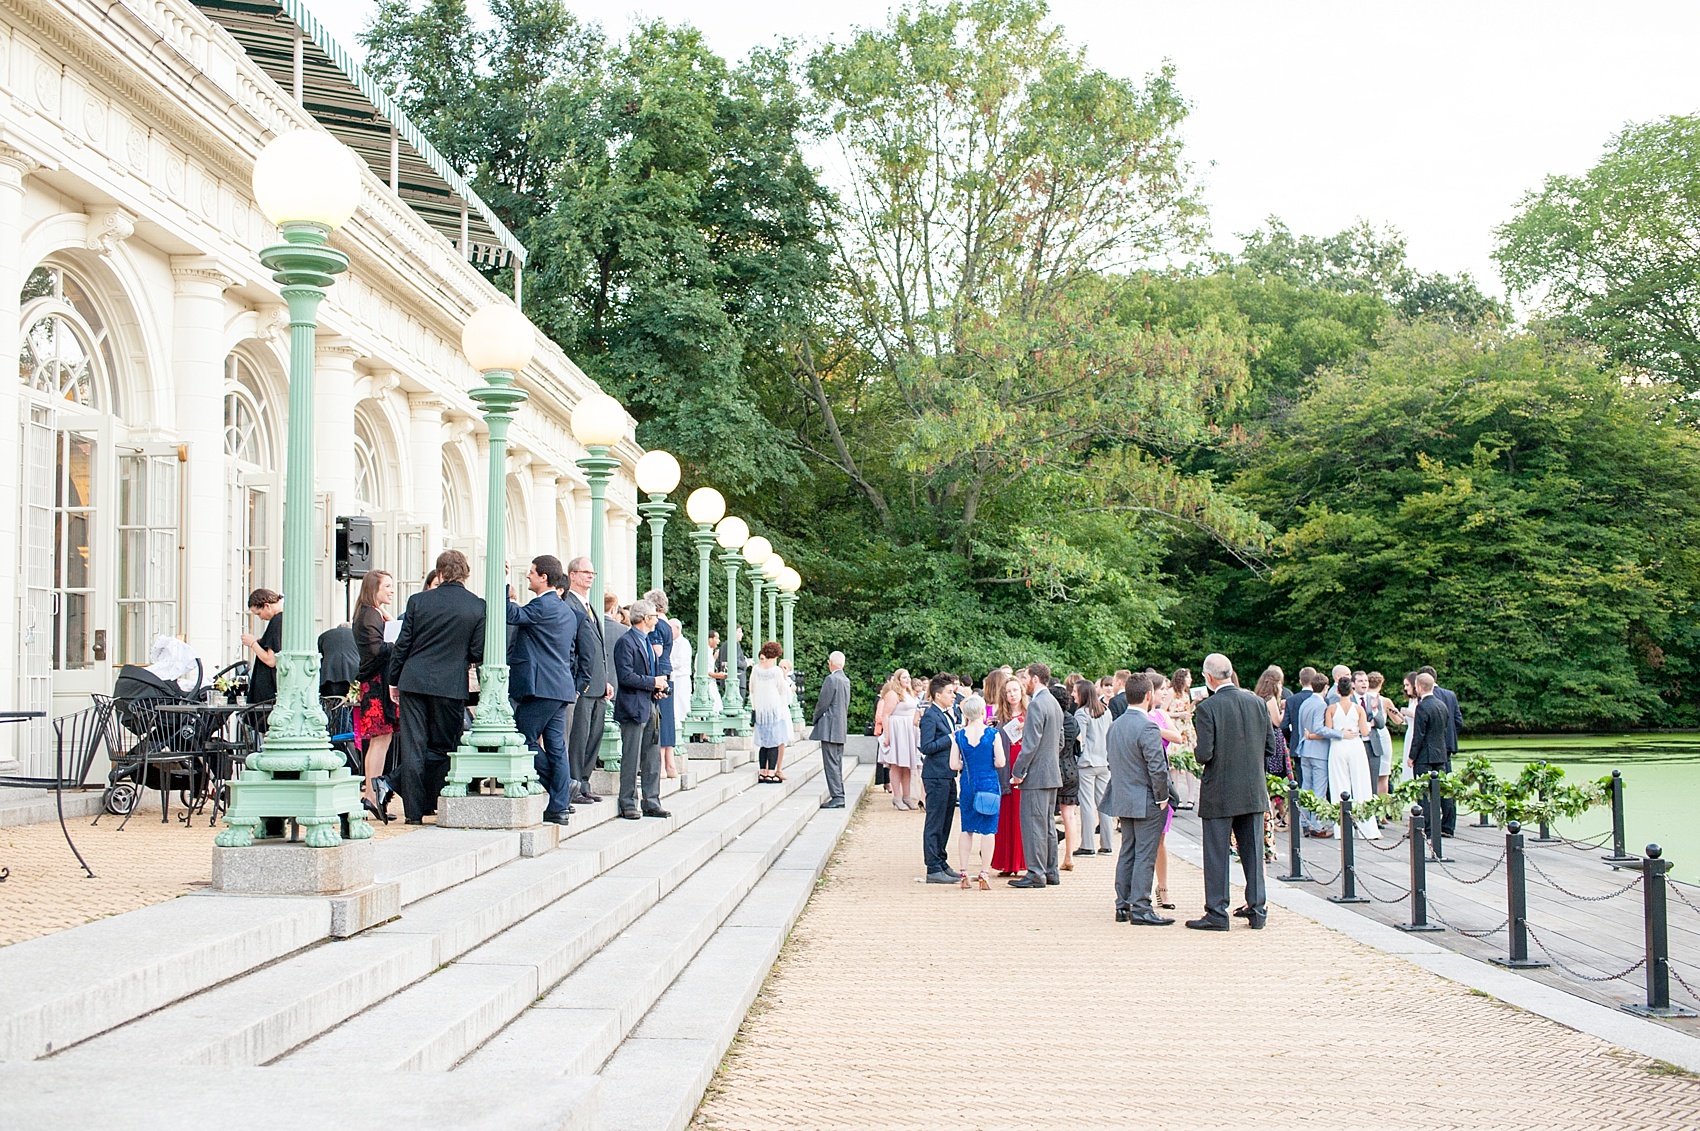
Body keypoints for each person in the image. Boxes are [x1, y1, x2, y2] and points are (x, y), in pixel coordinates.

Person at [387, 551, 484, 824]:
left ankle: (414, 813)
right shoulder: (477, 606)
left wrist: (394, 680)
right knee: (444, 747)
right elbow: (477, 651)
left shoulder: (418, 601)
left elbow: (402, 645)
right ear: (466, 573)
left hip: (413, 680)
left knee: (413, 746)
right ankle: (434, 801)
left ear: (439, 573)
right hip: (451, 685)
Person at [1188, 653, 1277, 931]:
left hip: (1221, 790)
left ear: (1209, 677)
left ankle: (1217, 911)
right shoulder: (1257, 702)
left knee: (1216, 854)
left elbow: (1204, 754)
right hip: (1252, 788)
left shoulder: (1207, 708)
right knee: (1253, 851)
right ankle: (1257, 908)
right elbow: (1270, 747)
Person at [507, 555, 578, 827]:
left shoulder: (543, 606)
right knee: (557, 747)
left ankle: (561, 790)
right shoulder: (567, 611)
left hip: (542, 688)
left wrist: (503, 583)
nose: (528, 577)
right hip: (560, 687)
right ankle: (559, 804)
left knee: (521, 739)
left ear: (544, 577)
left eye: (531, 573)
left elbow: (511, 614)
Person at [1106, 673, 1173, 926]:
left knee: (1128, 851)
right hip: (1146, 798)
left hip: (1123, 795)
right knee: (1145, 853)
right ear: (1148, 696)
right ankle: (1141, 906)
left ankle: (1122, 904)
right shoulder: (1147, 727)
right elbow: (1157, 767)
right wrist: (1163, 797)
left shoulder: (1116, 725)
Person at [612, 598, 669, 820]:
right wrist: (652, 682)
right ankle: (628, 802)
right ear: (645, 618)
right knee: (631, 757)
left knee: (652, 757)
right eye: (655, 616)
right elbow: (625, 676)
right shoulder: (626, 642)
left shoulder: (646, 641)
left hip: (650, 704)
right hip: (633, 706)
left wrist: (657, 688)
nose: (657, 619)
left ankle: (651, 801)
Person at [563, 557, 611, 806]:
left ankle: (585, 781)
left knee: (594, 737)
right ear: (572, 575)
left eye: (592, 572)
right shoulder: (570, 603)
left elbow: (597, 647)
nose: (590, 577)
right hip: (583, 685)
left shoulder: (590, 606)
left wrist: (606, 680)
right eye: (585, 572)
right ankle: (575, 784)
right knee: (579, 737)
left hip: (599, 685)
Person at [1011, 663, 1062, 889]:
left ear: (1034, 679)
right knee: (1048, 825)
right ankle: (1051, 870)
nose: (1023, 682)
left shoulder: (1036, 705)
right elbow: (1059, 741)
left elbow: (1030, 744)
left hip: (1037, 775)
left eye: (1025, 678)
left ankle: (1036, 872)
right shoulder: (1054, 703)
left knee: (1034, 825)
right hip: (1052, 771)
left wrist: (1018, 771)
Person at [351, 570, 397, 820]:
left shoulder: (370, 612)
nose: (391, 590)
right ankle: (370, 795)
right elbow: (377, 651)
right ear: (374, 588)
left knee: (381, 740)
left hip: (377, 684)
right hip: (376, 685)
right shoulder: (369, 614)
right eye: (387, 586)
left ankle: (372, 795)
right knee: (379, 741)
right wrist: (396, 640)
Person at [950, 693, 1004, 889]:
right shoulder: (992, 734)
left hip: (968, 784)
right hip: (988, 784)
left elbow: (953, 764)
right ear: (983, 711)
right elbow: (1000, 762)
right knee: (989, 831)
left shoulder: (958, 735)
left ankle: (963, 872)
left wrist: (967, 762)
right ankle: (984, 872)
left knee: (966, 829)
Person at [919, 674, 961, 884]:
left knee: (946, 821)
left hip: (948, 774)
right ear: (937, 695)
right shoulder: (930, 716)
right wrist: (950, 738)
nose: (953, 696)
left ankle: (941, 860)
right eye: (949, 692)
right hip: (935, 774)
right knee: (935, 821)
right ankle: (933, 866)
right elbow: (926, 747)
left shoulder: (947, 714)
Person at [1326, 675, 1379, 840]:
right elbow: (1365, 732)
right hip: (1356, 746)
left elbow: (1328, 730)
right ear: (1352, 690)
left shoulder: (1331, 709)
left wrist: (1341, 733)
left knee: (1339, 785)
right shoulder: (1359, 709)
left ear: (1337, 690)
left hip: (1338, 746)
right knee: (1362, 785)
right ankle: (1367, 827)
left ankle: (1341, 828)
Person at [1407, 672, 1456, 835]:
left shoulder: (1422, 706)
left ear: (1419, 687)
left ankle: (1426, 827)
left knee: (1424, 793)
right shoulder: (1442, 705)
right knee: (1442, 791)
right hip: (1441, 754)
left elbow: (1419, 734)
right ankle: (1445, 825)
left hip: (1425, 755)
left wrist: (1412, 756)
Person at [990, 675, 1028, 876]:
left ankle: (1022, 861)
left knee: (1021, 814)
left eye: (1015, 690)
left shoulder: (1030, 713)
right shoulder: (1000, 716)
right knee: (1005, 814)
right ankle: (1005, 862)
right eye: (1008, 691)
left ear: (1021, 691)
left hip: (1023, 765)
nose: (1012, 694)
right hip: (1005, 767)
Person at [1294, 671, 1339, 838]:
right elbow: (1318, 728)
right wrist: (1339, 733)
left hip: (1305, 748)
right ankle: (1317, 825)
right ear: (1326, 687)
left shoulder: (1305, 702)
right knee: (1319, 788)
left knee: (1306, 787)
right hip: (1318, 750)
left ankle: (1305, 821)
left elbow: (1301, 728)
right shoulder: (1321, 704)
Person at [1073, 680, 1113, 856]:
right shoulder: (1106, 710)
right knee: (1103, 804)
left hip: (1087, 762)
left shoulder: (1081, 714)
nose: (1073, 694)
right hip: (1103, 761)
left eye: (1075, 691)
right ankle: (1107, 844)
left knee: (1087, 804)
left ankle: (1088, 844)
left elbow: (1079, 739)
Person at [643, 589, 677, 778]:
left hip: (659, 672)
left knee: (659, 718)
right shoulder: (668, 625)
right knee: (668, 717)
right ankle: (670, 764)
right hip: (668, 670)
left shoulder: (656, 625)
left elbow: (656, 651)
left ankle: (662, 766)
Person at [811, 651, 851, 808]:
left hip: (829, 727)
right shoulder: (845, 680)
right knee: (837, 761)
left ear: (831, 663)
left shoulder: (831, 679)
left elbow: (823, 703)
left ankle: (837, 796)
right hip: (840, 726)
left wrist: (815, 718)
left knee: (831, 763)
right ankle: (839, 793)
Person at [749, 642, 792, 783]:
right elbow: (782, 689)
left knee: (763, 743)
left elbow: (752, 688)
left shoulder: (755, 669)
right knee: (774, 742)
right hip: (773, 710)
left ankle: (762, 771)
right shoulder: (776, 671)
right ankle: (771, 773)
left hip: (760, 710)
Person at [879, 671, 921, 809]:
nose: (907, 679)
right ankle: (897, 797)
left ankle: (907, 796)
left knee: (907, 765)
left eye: (909, 677)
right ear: (897, 679)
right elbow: (885, 715)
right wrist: (888, 735)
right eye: (904, 677)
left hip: (909, 729)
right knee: (896, 764)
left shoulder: (909, 694)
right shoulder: (893, 694)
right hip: (898, 729)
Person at [1052, 678, 1082, 870]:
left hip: (1054, 769)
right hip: (1071, 768)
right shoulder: (1073, 721)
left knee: (1048, 814)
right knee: (1069, 816)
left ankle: (1050, 856)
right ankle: (1069, 856)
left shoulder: (1053, 720)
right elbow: (1079, 747)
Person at [241, 588, 283, 706]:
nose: (260, 618)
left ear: (267, 606)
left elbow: (271, 660)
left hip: (268, 693)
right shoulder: (282, 620)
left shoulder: (276, 621)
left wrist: (253, 643)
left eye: (259, 613)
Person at [1418, 665, 1463, 762]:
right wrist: (1449, 734)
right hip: (1448, 743)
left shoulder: (1425, 697)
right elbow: (1458, 721)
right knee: (1447, 774)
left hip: (1431, 748)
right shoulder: (1451, 695)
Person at [1365, 672, 1397, 794]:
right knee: (1383, 775)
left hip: (1367, 733)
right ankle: (1382, 808)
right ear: (1381, 683)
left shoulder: (1362, 698)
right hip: (1381, 734)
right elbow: (1398, 720)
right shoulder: (1385, 701)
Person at [667, 617, 693, 740]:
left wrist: (667, 663)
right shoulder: (670, 643)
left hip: (681, 678)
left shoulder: (684, 644)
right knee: (674, 704)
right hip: (673, 677)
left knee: (681, 704)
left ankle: (682, 731)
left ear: (677, 628)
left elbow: (679, 662)